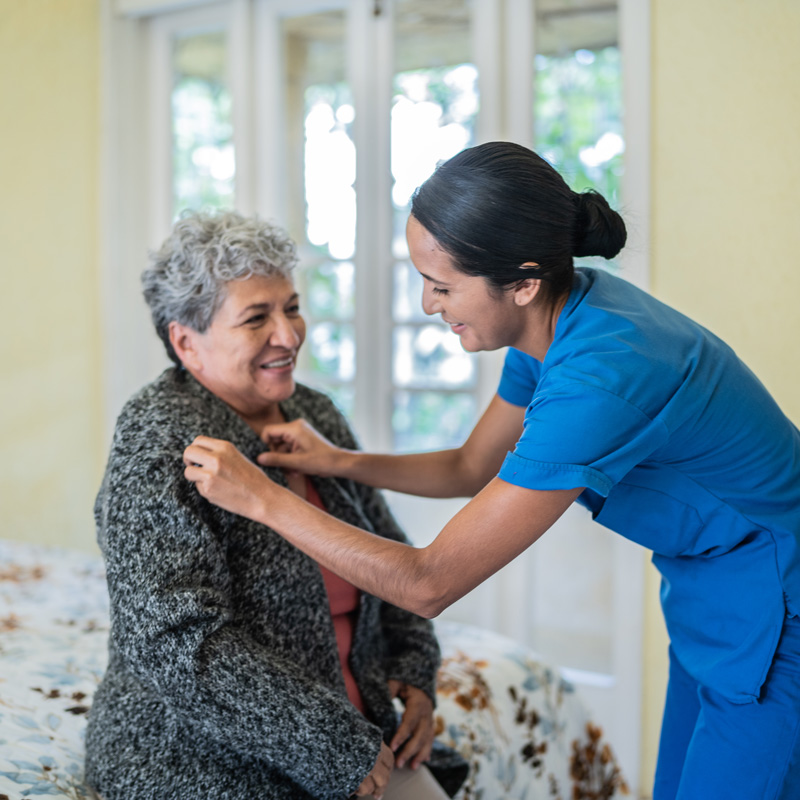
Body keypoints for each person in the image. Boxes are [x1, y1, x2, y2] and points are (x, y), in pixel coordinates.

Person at [182, 142, 800, 800]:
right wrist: (340, 462)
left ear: (523, 281)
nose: (427, 303)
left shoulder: (602, 373)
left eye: (443, 286)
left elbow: (429, 584)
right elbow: (472, 465)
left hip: (777, 603)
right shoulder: (560, 320)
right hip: (713, 595)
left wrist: (264, 501)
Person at [85, 211, 467, 800]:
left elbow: (388, 554)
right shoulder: (158, 439)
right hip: (206, 757)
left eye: (290, 307)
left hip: (359, 730)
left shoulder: (311, 412)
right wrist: (330, 744)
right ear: (186, 341)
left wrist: (417, 673)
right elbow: (177, 640)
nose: (288, 335)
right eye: (256, 318)